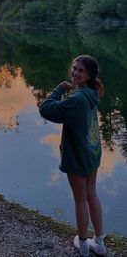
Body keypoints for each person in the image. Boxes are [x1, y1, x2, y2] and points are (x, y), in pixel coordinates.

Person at [39, 55, 106, 257]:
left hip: (78, 155)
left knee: (81, 199)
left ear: (89, 75)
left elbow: (46, 109)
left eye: (80, 71)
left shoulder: (77, 99)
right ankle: (100, 243)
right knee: (92, 194)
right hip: (92, 151)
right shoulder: (92, 92)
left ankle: (84, 245)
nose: (75, 72)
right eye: (74, 68)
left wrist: (59, 89)